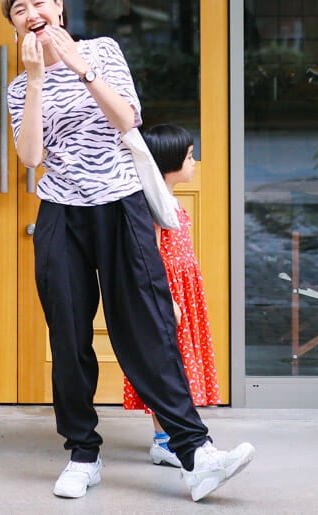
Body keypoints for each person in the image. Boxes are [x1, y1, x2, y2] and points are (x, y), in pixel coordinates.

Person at [1, 0, 254, 502]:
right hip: (61, 212)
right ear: (14, 26)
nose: (31, 13)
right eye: (18, 9)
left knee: (148, 325)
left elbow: (127, 119)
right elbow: (30, 157)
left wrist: (78, 66)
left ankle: (196, 453)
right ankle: (83, 453)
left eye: (39, 2)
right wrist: (38, 79)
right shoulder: (20, 86)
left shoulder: (102, 51)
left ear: (59, 8)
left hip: (121, 203)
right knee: (69, 336)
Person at [122, 124, 220, 469]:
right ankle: (165, 441)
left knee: (180, 364)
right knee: (166, 364)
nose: (194, 163)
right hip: (169, 295)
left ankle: (172, 436)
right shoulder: (152, 206)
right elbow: (150, 259)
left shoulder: (169, 200)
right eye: (189, 157)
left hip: (184, 293)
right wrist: (167, 302)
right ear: (168, 162)